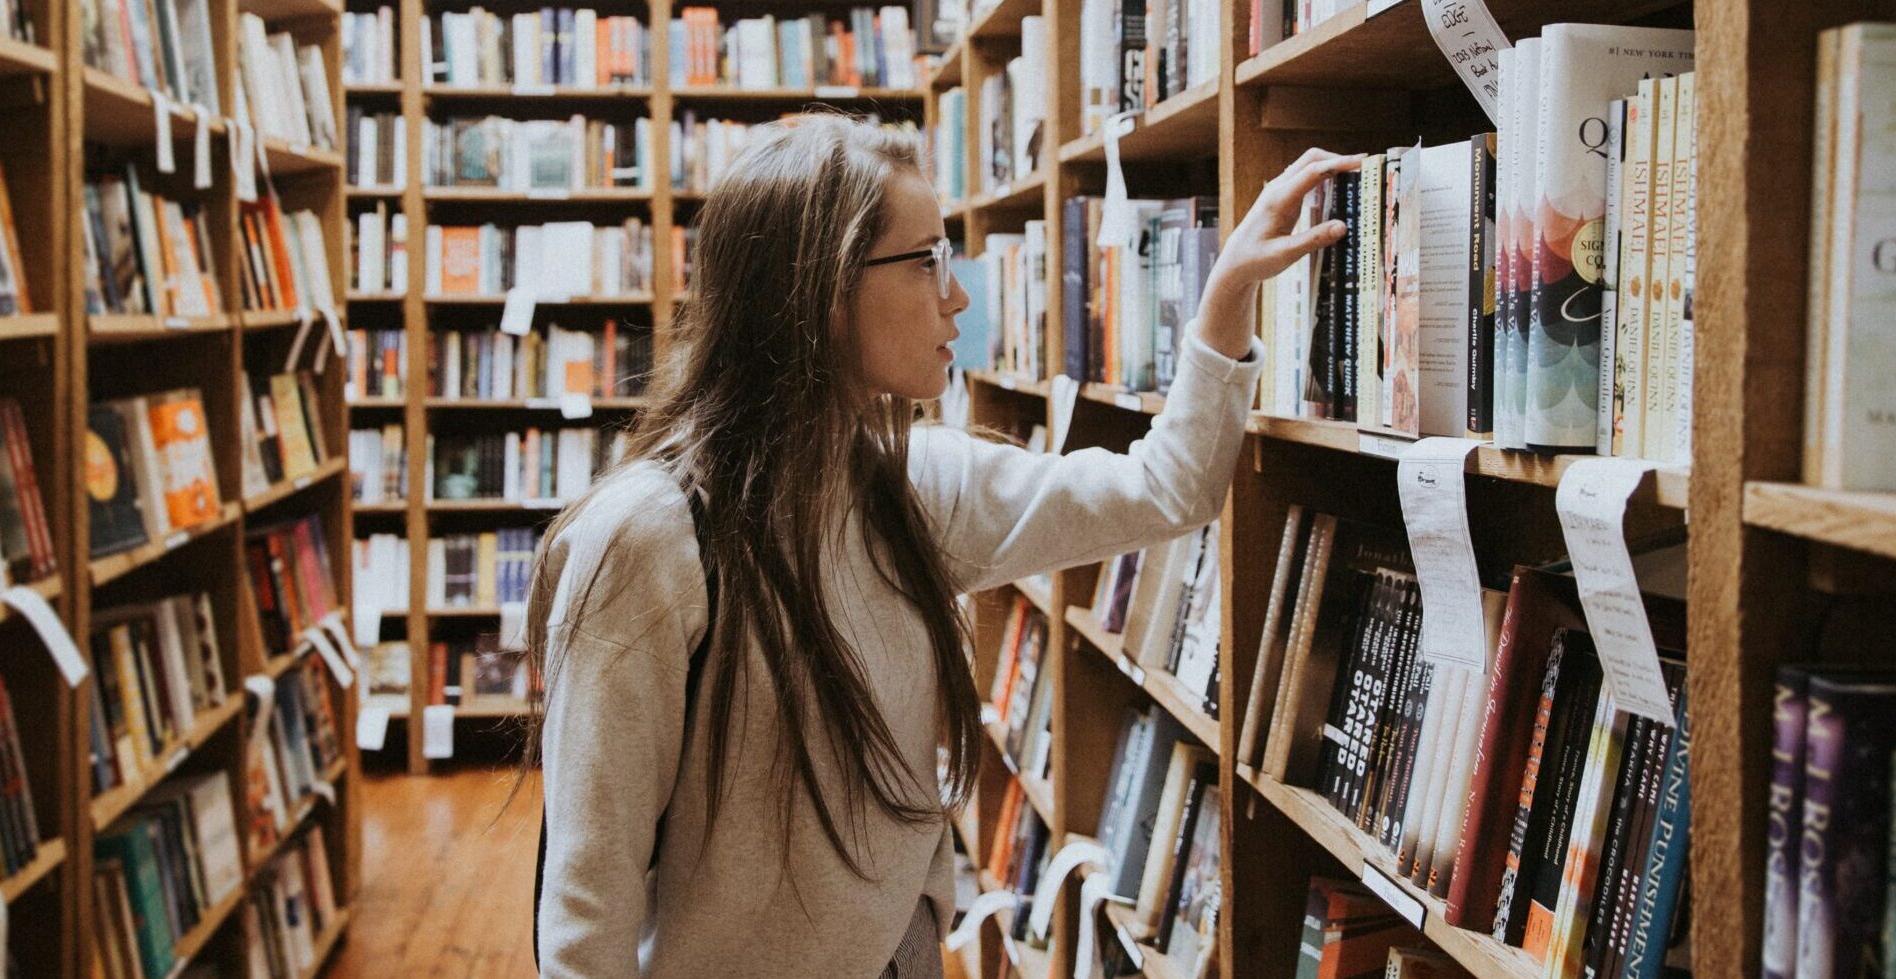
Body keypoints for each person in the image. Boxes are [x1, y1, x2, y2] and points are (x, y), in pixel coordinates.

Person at [528, 112, 1355, 978]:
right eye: (926, 261)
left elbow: (1168, 488)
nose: (957, 295)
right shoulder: (648, 538)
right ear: (819, 288)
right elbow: (589, 901)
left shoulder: (914, 487)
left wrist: (1223, 300)